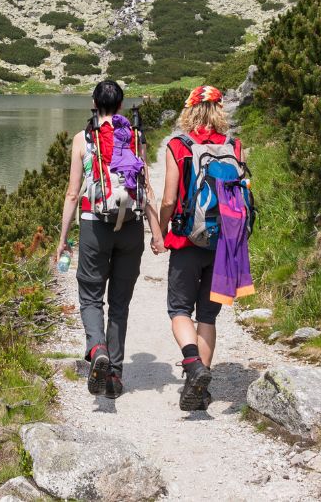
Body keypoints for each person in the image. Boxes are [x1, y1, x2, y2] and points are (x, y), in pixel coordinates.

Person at [150, 84, 248, 411]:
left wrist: (161, 231)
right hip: (223, 244)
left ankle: (193, 367)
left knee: (179, 310)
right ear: (220, 110)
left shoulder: (178, 145)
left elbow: (167, 199)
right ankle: (201, 393)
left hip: (186, 240)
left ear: (188, 110)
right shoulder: (234, 146)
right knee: (207, 315)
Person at [53, 80, 149, 400]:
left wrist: (63, 239)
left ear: (94, 103)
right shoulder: (134, 137)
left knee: (91, 295)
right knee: (119, 302)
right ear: (121, 106)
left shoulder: (83, 139)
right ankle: (115, 377)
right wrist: (157, 232)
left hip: (95, 224)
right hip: (132, 225)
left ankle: (97, 350)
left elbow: (72, 192)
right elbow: (144, 187)